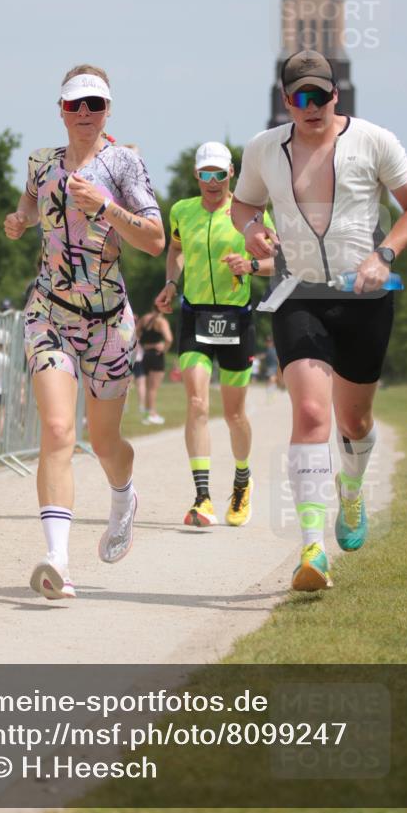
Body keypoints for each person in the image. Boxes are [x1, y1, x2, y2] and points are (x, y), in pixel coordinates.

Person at [231, 50, 407, 591]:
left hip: (366, 298)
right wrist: (251, 228)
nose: (312, 106)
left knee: (355, 423)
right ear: (286, 101)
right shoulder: (262, 149)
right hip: (297, 294)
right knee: (313, 414)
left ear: (336, 94)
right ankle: (312, 549)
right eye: (301, 97)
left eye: (321, 95)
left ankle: (351, 489)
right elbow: (242, 205)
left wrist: (383, 256)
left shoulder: (374, 141)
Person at [4, 64, 164, 601]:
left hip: (107, 324)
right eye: (75, 105)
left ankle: (123, 496)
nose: (84, 115)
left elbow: (156, 240)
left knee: (104, 442)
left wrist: (107, 207)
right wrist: (21, 218)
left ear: (108, 109)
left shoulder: (124, 163)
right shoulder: (41, 162)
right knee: (56, 431)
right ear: (60, 110)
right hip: (49, 312)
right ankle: (57, 559)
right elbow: (31, 196)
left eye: (94, 104)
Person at [155, 142, 274, 528]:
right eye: (205, 174)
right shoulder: (182, 211)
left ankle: (242, 480)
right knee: (197, 403)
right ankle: (202, 497)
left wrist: (252, 264)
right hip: (195, 317)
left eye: (219, 174)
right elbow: (175, 250)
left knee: (234, 414)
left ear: (231, 174)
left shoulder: (251, 215)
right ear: (196, 175)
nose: (212, 181)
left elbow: (279, 262)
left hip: (237, 320)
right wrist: (172, 282)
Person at [136, 306, 173, 424]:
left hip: (145, 355)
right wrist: (164, 349)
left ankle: (147, 415)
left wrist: (143, 344)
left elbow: (136, 332)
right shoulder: (161, 321)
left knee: (148, 388)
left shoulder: (145, 319)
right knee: (153, 388)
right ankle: (152, 413)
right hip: (157, 356)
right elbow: (169, 339)